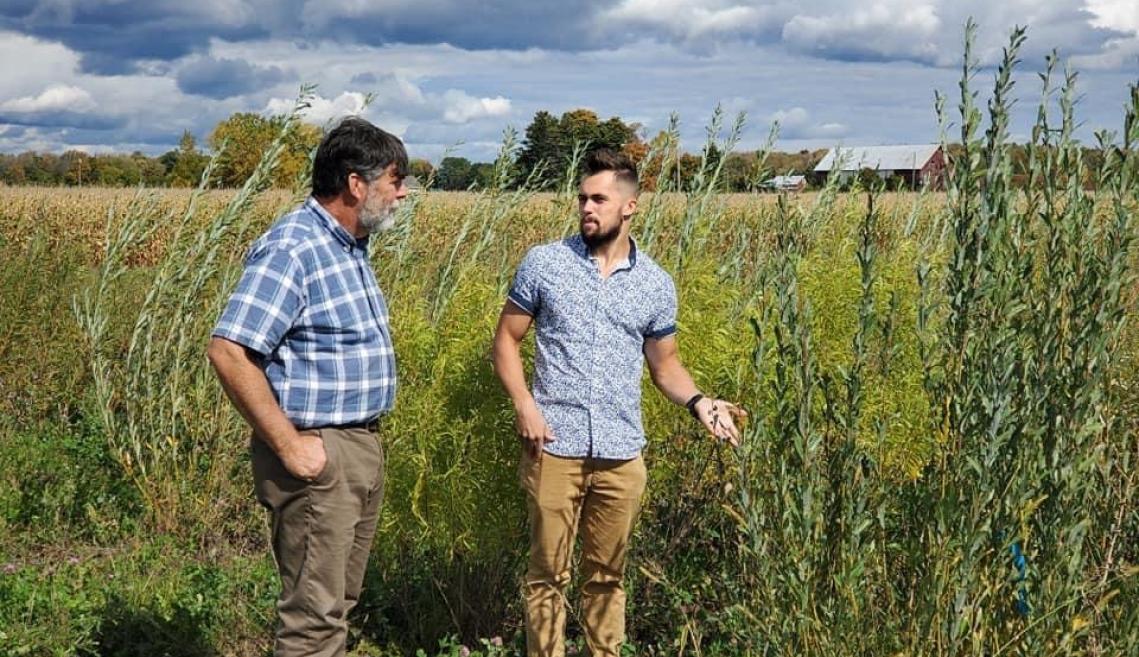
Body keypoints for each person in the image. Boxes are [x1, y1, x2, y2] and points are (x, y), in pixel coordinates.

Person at [491, 148, 746, 656]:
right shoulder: (545, 264)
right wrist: (523, 402)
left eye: (599, 199)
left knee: (607, 577)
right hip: (553, 446)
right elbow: (505, 341)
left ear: (629, 206)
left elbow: (665, 366)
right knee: (547, 576)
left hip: (621, 454)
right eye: (582, 198)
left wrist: (700, 402)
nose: (587, 207)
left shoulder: (654, 284)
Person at [207, 116, 408, 657]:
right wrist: (293, 447)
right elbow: (230, 350)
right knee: (314, 620)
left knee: (336, 602)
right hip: (320, 455)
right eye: (394, 179)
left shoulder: (346, 247)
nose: (403, 193)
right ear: (355, 183)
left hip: (355, 449)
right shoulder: (295, 248)